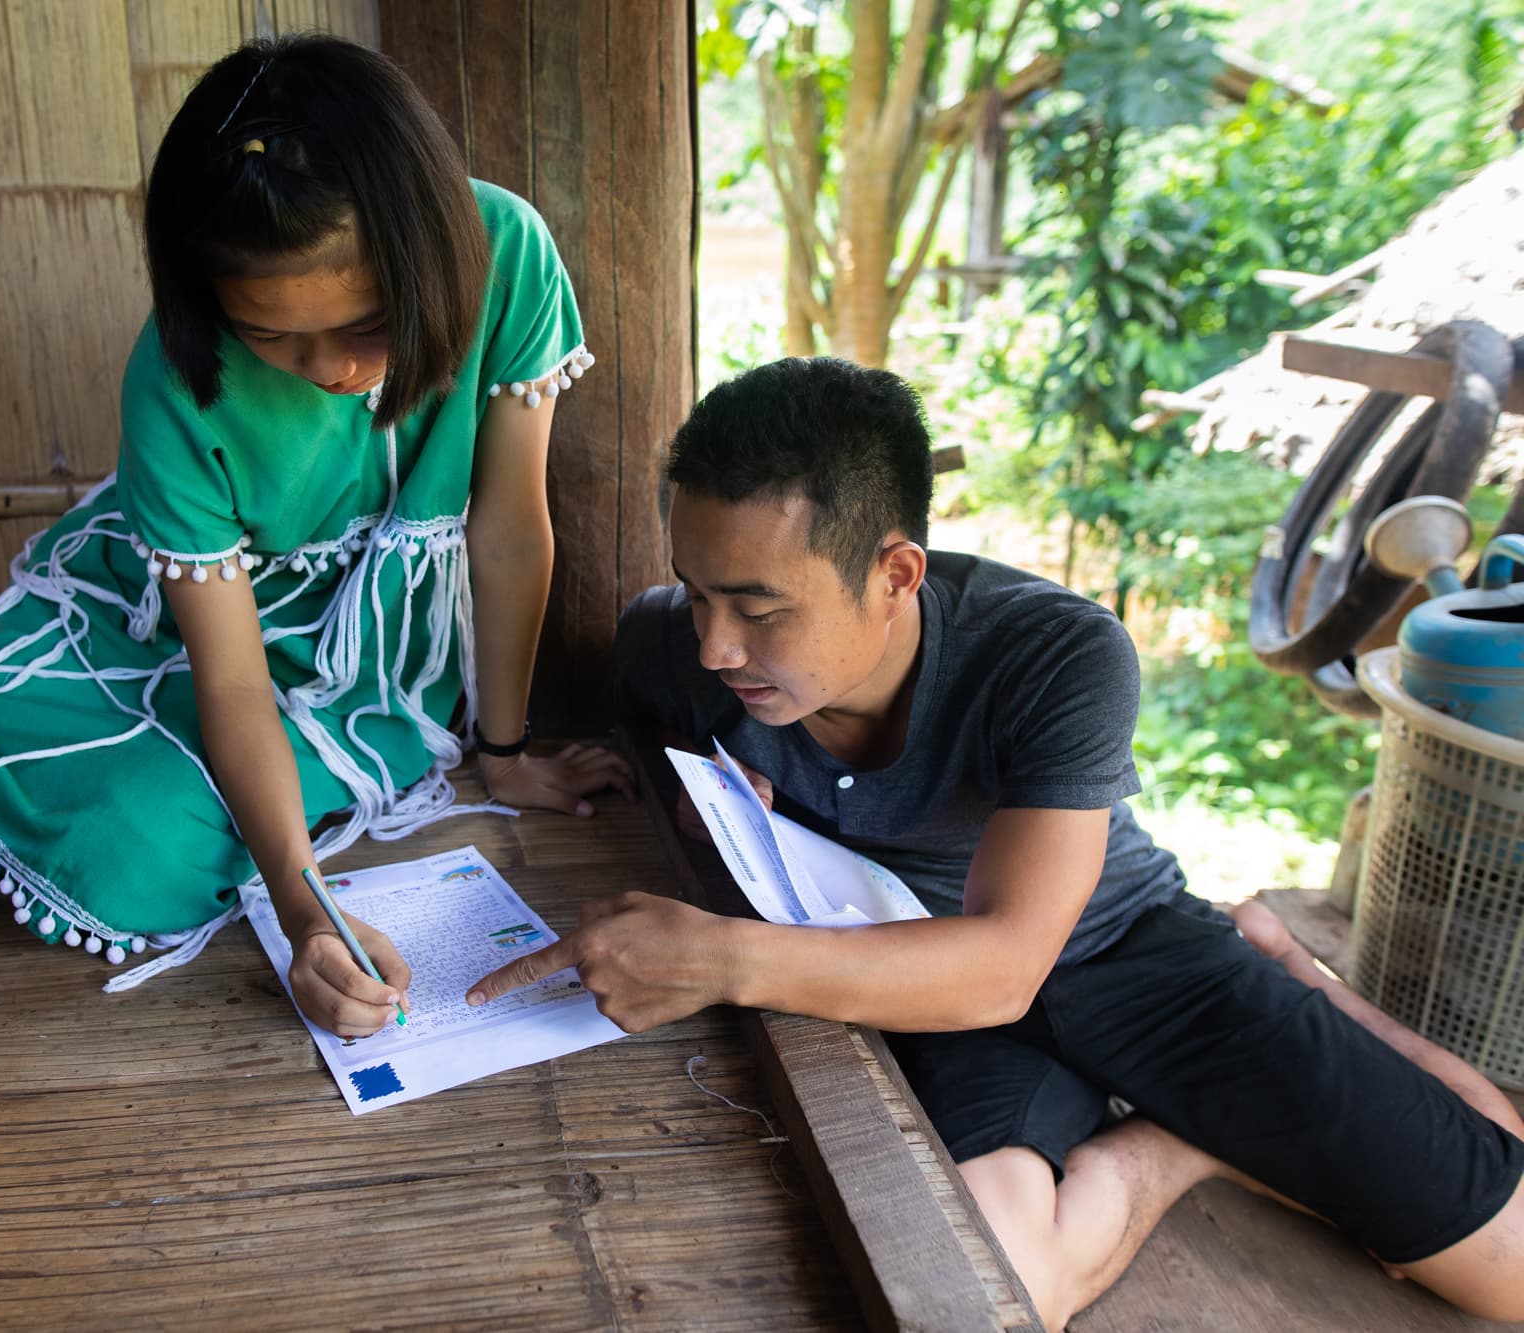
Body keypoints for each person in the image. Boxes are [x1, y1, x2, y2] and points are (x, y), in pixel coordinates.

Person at [467, 357, 1524, 1328]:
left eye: (757, 607)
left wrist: (718, 960)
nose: (714, 643)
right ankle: (1180, 1143)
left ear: (894, 574)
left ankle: (1296, 975)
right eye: (697, 593)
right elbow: (676, 755)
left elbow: (1009, 961)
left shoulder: (1054, 651)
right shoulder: (668, 650)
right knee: (995, 1283)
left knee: (1506, 1276)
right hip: (905, 966)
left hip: (1121, 950)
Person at [0, 34, 631, 1022]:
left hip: (368, 654)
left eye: (367, 323)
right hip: (168, 621)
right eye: (271, 335)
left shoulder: (506, 250)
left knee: (140, 860)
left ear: (431, 255)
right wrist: (305, 911)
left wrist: (501, 748)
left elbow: (505, 530)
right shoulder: (172, 377)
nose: (329, 369)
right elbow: (232, 676)